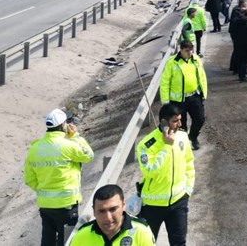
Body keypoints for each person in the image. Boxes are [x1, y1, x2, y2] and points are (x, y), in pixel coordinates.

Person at [24, 108, 95, 246]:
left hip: (45, 204)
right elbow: (89, 155)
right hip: (66, 204)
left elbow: (29, 178)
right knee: (68, 240)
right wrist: (75, 136)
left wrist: (43, 190)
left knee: (48, 238)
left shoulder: (34, 148)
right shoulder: (68, 146)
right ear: (63, 125)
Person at [137, 103, 194, 245]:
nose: (180, 124)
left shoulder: (182, 136)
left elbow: (189, 163)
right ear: (163, 122)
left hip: (179, 202)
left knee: (179, 243)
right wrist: (167, 146)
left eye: (180, 120)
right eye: (175, 121)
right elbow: (150, 172)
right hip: (152, 206)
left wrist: (188, 190)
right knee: (147, 243)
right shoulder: (145, 145)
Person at [160, 39, 208, 150]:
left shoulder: (195, 59)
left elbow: (202, 76)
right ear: (181, 50)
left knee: (200, 119)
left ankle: (193, 137)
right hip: (178, 101)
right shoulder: (172, 62)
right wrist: (166, 102)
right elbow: (165, 82)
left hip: (194, 97)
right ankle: (184, 144)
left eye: (191, 50)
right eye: (187, 50)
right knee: (181, 125)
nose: (190, 53)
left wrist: (203, 93)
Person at [70, 184, 155, 246]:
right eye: (102, 211)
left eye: (113, 209)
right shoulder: (81, 236)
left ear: (123, 205)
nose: (108, 218)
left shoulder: (141, 232)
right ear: (94, 211)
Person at [228, 7, 247, 82]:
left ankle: (240, 74)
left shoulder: (236, 22)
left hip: (237, 44)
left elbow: (233, 32)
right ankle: (243, 76)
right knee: (245, 61)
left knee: (239, 60)